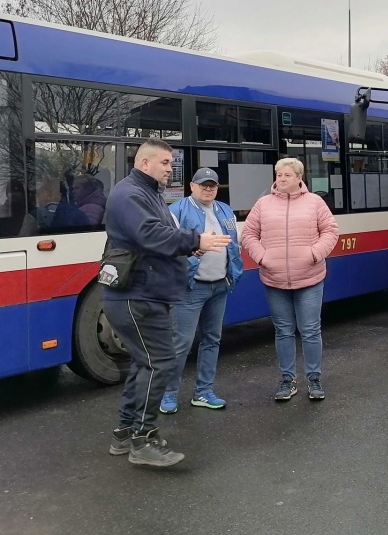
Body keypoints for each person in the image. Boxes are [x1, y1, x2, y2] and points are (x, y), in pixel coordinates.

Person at [104, 139, 232, 467]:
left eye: (170, 163)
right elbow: (151, 234)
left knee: (143, 363)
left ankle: (124, 433)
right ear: (144, 163)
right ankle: (142, 440)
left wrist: (190, 248)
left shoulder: (147, 194)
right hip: (138, 295)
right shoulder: (131, 194)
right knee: (160, 362)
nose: (169, 168)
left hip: (144, 293)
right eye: (164, 162)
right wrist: (194, 240)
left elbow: (158, 237)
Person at [241, 157, 339, 401]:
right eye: (278, 174)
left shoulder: (315, 202)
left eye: (287, 175)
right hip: (274, 280)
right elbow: (249, 234)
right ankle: (288, 380)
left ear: (299, 178)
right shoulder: (263, 204)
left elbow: (331, 231)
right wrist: (262, 258)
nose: (281, 179)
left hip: (310, 278)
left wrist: (314, 254)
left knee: (310, 330)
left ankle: (314, 380)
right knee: (283, 331)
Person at [158, 167, 243, 414]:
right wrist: (193, 253)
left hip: (219, 285)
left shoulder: (225, 210)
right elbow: (167, 247)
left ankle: (203, 392)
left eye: (213, 185)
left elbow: (233, 244)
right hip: (190, 288)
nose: (208, 189)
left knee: (212, 340)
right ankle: (168, 394)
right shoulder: (176, 211)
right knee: (180, 344)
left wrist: (233, 274)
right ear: (192, 186)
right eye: (203, 184)